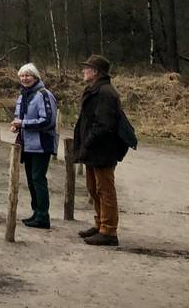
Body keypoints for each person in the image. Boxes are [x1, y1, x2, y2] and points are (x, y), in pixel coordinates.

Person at [73, 54, 126, 246]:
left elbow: (104, 124)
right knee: (93, 188)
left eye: (87, 68)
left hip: (102, 148)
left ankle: (109, 230)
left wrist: (88, 141)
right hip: (94, 148)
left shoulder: (105, 93)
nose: (83, 71)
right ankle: (100, 223)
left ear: (95, 72)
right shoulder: (97, 90)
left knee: (105, 189)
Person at [10, 63, 58, 229]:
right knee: (31, 180)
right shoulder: (23, 95)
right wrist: (17, 125)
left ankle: (43, 216)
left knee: (38, 179)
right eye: (22, 76)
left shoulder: (43, 95)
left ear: (35, 77)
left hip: (41, 144)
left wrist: (23, 123)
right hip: (27, 144)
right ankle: (36, 212)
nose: (25, 78)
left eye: (28, 75)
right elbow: (19, 116)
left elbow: (47, 121)